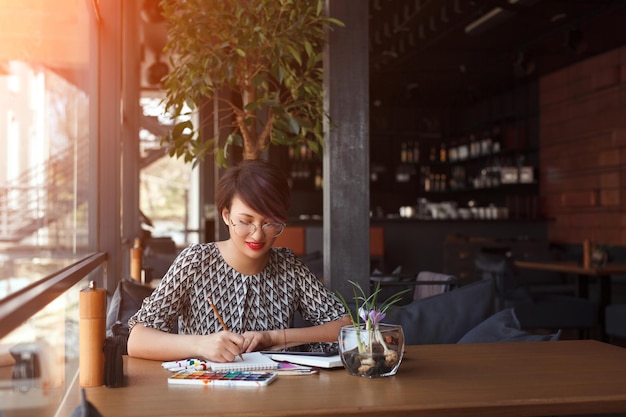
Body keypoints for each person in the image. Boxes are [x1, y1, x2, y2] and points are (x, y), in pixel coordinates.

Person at [127, 159, 351, 362]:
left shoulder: (288, 266)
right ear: (226, 215)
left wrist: (274, 337)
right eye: (245, 221)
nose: (257, 235)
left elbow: (344, 327)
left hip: (274, 397)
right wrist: (200, 344)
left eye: (269, 223)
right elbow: (137, 340)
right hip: (205, 394)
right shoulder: (195, 261)